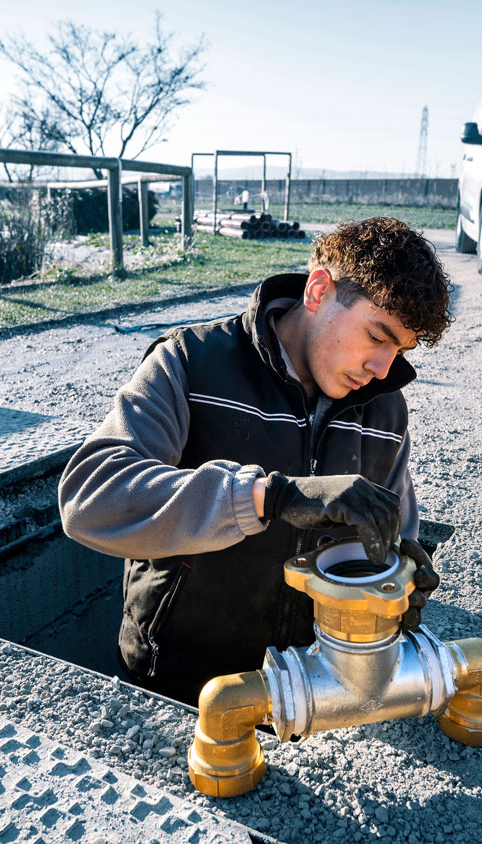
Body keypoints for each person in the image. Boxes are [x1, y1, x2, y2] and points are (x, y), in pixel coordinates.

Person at [59, 217, 455, 705]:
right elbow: (90, 498)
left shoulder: (385, 409)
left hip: (314, 692)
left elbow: (397, 527)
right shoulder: (190, 362)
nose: (383, 369)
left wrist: (402, 571)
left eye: (400, 349)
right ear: (317, 290)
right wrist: (268, 497)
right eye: (377, 336)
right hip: (176, 684)